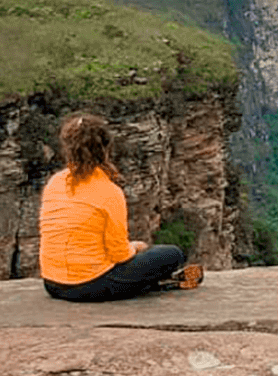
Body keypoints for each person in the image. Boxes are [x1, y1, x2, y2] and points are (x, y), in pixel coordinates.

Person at [39, 113, 204, 302]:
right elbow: (119, 254)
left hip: (52, 283)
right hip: (90, 285)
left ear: (67, 148)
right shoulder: (109, 191)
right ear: (106, 149)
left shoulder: (55, 183)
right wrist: (135, 247)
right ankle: (151, 282)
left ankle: (144, 282)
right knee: (173, 254)